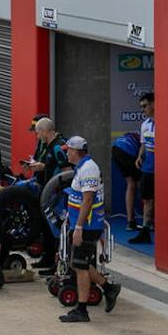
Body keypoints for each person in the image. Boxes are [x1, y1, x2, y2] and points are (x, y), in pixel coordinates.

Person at [59, 135, 121, 322]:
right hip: (82, 224)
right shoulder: (81, 168)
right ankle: (109, 288)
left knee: (80, 266)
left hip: (87, 226)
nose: (66, 153)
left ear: (76, 152)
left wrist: (78, 227)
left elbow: (88, 199)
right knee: (77, 264)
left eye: (68, 150)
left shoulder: (88, 169)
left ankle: (82, 310)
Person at [129, 91, 155, 244]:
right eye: (141, 107)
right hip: (147, 168)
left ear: (153, 104)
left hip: (162, 169)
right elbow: (144, 144)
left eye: (145, 106)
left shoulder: (164, 122)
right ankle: (145, 230)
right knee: (147, 200)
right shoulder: (145, 124)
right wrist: (140, 156)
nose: (143, 109)